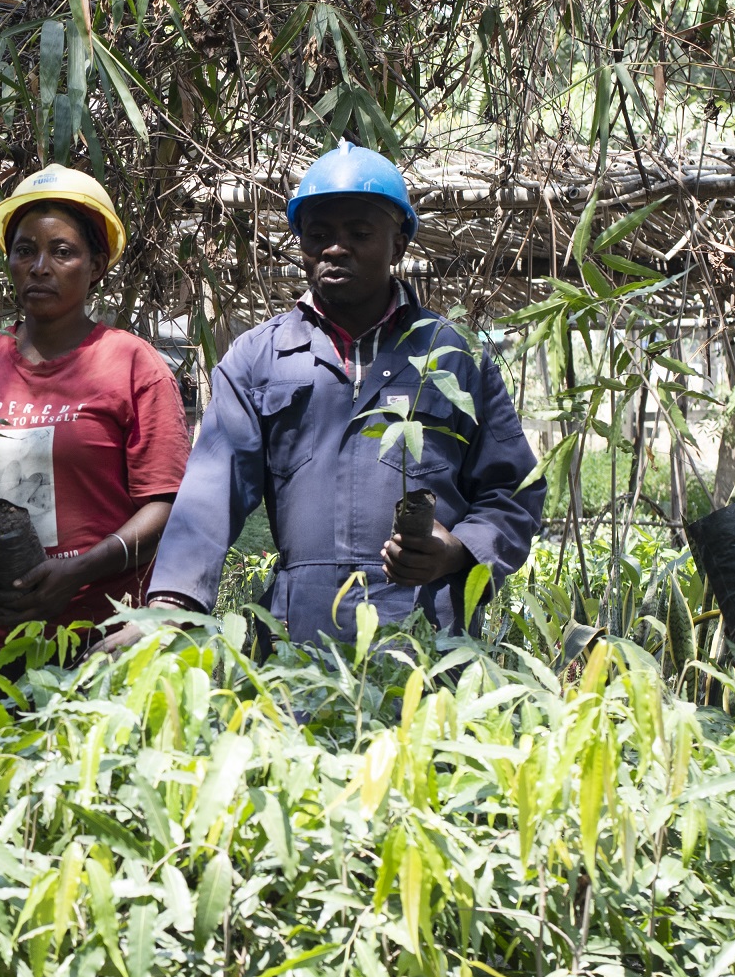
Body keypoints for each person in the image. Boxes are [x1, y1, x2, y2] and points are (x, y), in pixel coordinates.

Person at [144, 142, 543, 643]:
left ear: (397, 246)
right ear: (302, 244)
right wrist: (171, 604)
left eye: (359, 233)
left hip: (425, 627)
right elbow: (209, 493)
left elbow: (513, 491)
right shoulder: (258, 358)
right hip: (300, 631)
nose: (336, 248)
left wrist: (459, 550)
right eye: (319, 235)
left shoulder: (453, 356)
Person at [0, 164, 189, 665]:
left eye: (63, 252)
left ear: (97, 265)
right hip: (1, 642)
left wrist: (81, 570)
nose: (40, 266)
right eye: (25, 250)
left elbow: (166, 504)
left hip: (110, 638)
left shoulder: (134, 366)